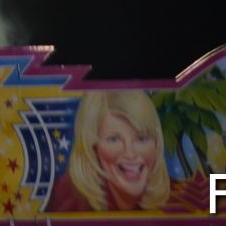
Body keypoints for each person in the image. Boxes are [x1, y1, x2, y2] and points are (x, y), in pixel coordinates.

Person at [43, 90, 171, 212]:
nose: (131, 154)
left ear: (156, 144)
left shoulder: (176, 198)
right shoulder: (67, 199)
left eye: (141, 139)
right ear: (92, 148)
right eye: (114, 139)